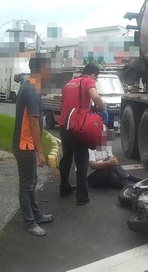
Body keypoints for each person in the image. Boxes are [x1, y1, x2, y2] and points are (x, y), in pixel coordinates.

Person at [12, 57, 53, 236]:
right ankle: (30, 223)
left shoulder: (29, 86)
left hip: (25, 144)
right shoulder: (31, 90)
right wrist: (40, 152)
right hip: (25, 145)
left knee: (32, 182)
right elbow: (34, 124)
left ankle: (37, 215)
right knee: (27, 186)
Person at [58, 63, 106, 205]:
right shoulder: (88, 81)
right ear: (93, 74)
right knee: (82, 160)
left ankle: (64, 187)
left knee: (66, 157)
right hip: (78, 126)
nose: (95, 81)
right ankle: (81, 196)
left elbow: (63, 105)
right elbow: (95, 97)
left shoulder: (68, 83)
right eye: (96, 79)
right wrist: (102, 108)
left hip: (64, 124)